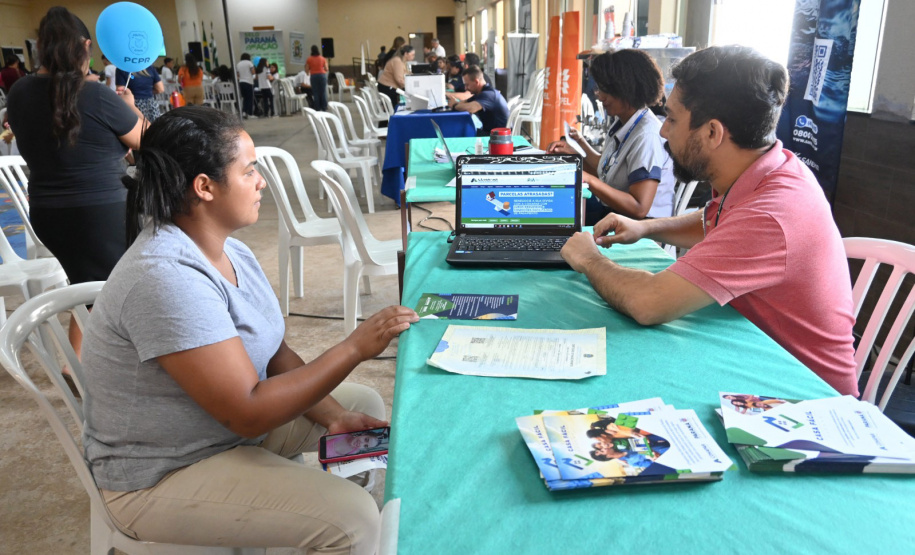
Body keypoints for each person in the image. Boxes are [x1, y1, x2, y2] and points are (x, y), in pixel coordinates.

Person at [81, 106, 419, 552]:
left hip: (216, 432)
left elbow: (276, 354)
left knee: (360, 404)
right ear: (204, 187)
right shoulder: (164, 277)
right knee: (353, 520)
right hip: (162, 472)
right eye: (249, 171)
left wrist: (335, 416)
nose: (261, 181)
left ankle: (293, 507)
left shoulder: (231, 250)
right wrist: (354, 348)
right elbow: (247, 409)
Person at [560, 45, 858, 396]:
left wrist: (588, 259)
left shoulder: (770, 215)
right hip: (753, 363)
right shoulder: (769, 170)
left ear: (713, 133)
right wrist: (646, 227)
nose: (663, 133)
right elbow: (717, 220)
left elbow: (648, 303)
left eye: (671, 119)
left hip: (803, 403)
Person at [6, 6, 145, 360]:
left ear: (40, 47)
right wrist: (129, 106)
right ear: (85, 46)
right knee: (117, 288)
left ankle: (76, 363)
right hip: (101, 213)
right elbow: (148, 140)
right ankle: (95, 363)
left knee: (87, 288)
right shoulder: (97, 95)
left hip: (47, 214)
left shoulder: (19, 93)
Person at [547, 49, 674, 224]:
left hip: (640, 229)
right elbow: (609, 170)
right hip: (615, 215)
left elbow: (639, 208)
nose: (598, 96)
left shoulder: (647, 136)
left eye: (604, 90)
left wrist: (587, 178)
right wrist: (574, 157)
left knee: (561, 216)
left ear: (626, 89)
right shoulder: (623, 122)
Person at [447, 65, 508, 136]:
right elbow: (465, 102)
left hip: (496, 136)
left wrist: (454, 105)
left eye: (467, 85)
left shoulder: (488, 94)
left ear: (476, 82)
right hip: (489, 131)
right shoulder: (480, 93)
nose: (465, 88)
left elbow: (471, 108)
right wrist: (456, 103)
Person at [306, 45, 329, 111]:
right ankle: (324, 107)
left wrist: (308, 73)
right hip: (322, 75)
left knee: (315, 92)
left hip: (314, 76)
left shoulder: (309, 59)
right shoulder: (322, 58)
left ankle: (317, 107)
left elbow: (307, 69)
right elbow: (326, 68)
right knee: (323, 91)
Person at [236, 53, 256, 118]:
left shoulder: (238, 64)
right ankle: (250, 113)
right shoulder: (249, 63)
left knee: (245, 98)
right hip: (249, 82)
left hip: (241, 82)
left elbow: (238, 75)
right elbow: (253, 72)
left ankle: (244, 112)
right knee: (250, 98)